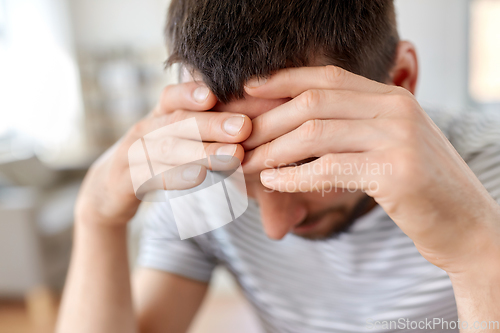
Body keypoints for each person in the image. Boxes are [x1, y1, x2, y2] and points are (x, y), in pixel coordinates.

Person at [56, 0, 500, 332]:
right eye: (239, 175)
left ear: (400, 80)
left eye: (305, 160)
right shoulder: (204, 177)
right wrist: (96, 215)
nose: (275, 226)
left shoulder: (490, 171)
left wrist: (480, 254)